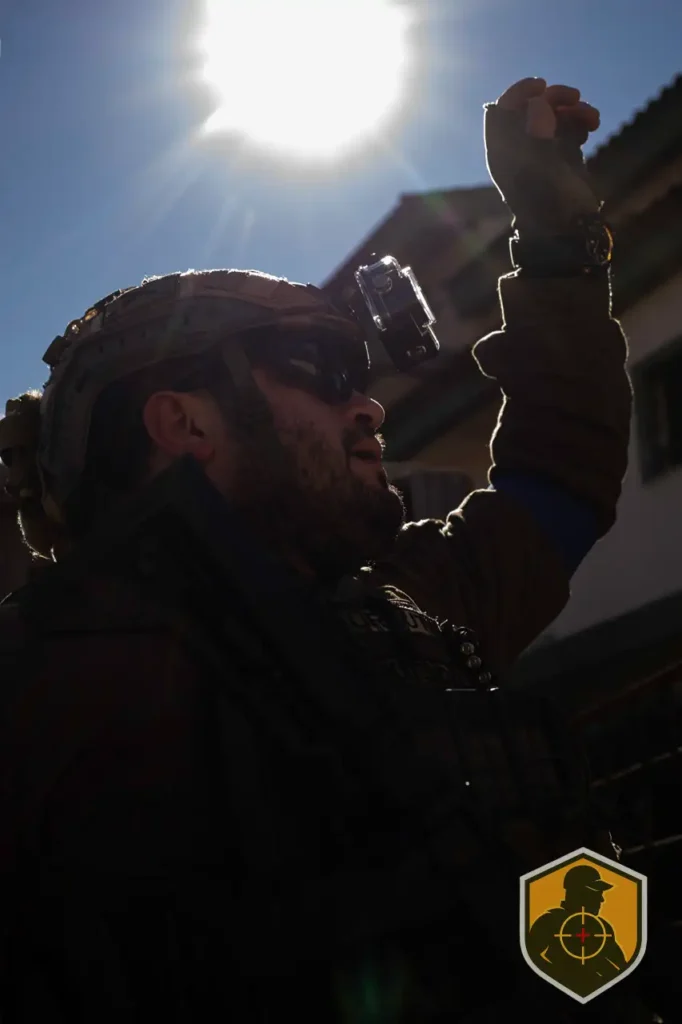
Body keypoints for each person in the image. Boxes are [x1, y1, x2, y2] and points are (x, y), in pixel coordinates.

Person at [0, 78, 649, 1023]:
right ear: (184, 424)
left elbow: (558, 477)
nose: (370, 405)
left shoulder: (401, 607)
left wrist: (557, 243)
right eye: (320, 370)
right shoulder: (38, 701)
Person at [527, 864, 628, 998]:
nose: (601, 899)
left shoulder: (602, 927)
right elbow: (530, 957)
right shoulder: (552, 920)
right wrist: (561, 978)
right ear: (578, 893)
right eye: (596, 893)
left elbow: (622, 966)